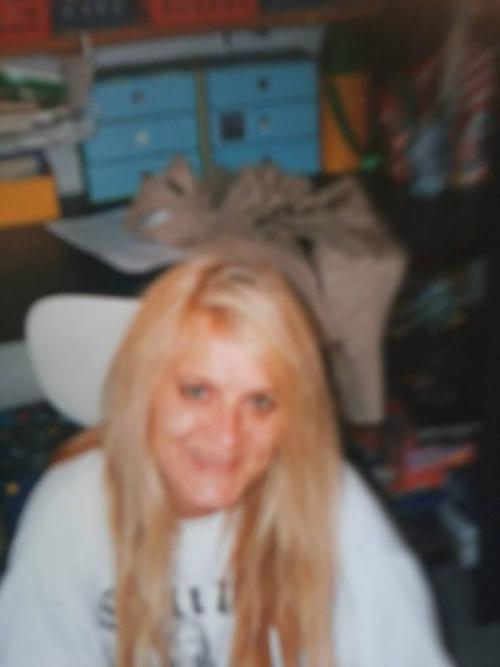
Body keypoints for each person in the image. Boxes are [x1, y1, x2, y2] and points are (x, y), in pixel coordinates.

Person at [0, 254, 454, 667]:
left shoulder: (331, 502)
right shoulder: (71, 509)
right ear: (143, 388)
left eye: (260, 403)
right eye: (197, 392)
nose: (226, 436)